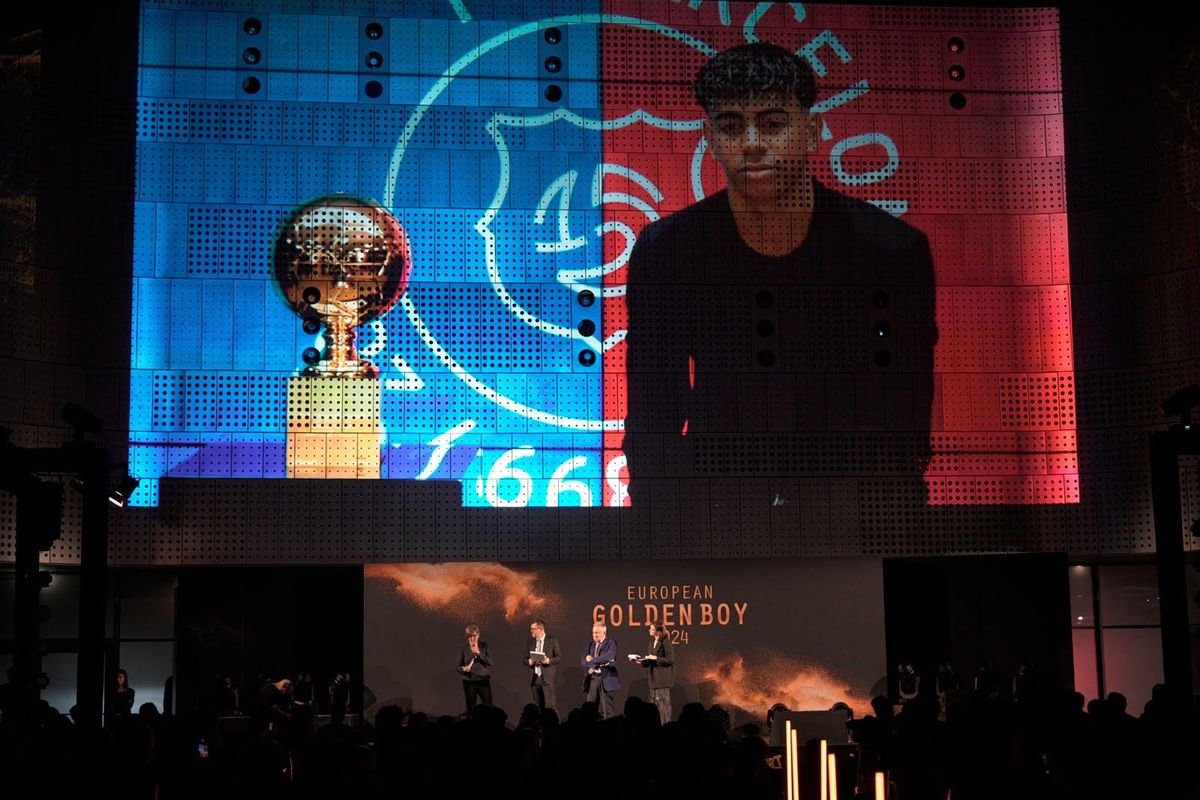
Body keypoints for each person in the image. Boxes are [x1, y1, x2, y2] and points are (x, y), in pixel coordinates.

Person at [622, 42, 938, 504]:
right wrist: (663, 518)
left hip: (854, 505)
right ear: (710, 139)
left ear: (811, 132)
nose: (752, 143)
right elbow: (653, 406)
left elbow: (906, 413)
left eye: (772, 124)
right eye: (732, 126)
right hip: (716, 504)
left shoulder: (891, 251)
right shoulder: (668, 249)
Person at [633, 621, 675, 723]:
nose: (649, 630)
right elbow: (650, 660)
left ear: (658, 631)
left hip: (662, 681)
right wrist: (641, 661)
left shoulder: (666, 642)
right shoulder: (652, 643)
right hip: (653, 681)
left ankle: (665, 729)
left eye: (651, 629)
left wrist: (656, 658)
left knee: (663, 708)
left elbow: (670, 660)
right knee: (654, 709)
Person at [581, 621, 619, 719]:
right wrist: (598, 664)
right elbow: (583, 661)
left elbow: (609, 656)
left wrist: (593, 660)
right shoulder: (590, 644)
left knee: (607, 710)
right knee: (590, 709)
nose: (594, 635)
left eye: (597, 633)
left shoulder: (611, 643)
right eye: (593, 632)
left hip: (605, 678)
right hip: (593, 678)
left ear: (604, 633)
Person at [525, 619, 561, 712]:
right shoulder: (531, 642)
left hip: (547, 679)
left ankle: (553, 725)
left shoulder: (552, 640)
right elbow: (524, 659)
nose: (531, 631)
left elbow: (558, 657)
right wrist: (529, 662)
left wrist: (548, 660)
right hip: (535, 678)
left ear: (540, 629)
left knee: (550, 707)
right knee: (537, 707)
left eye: (533, 629)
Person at [456, 623, 493, 714]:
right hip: (469, 682)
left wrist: (479, 653)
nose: (472, 638)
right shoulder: (464, 648)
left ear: (478, 634)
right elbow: (458, 666)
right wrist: (463, 669)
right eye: (470, 636)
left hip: (483, 680)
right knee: (471, 707)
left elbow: (491, 662)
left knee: (488, 706)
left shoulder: (484, 646)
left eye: (474, 636)